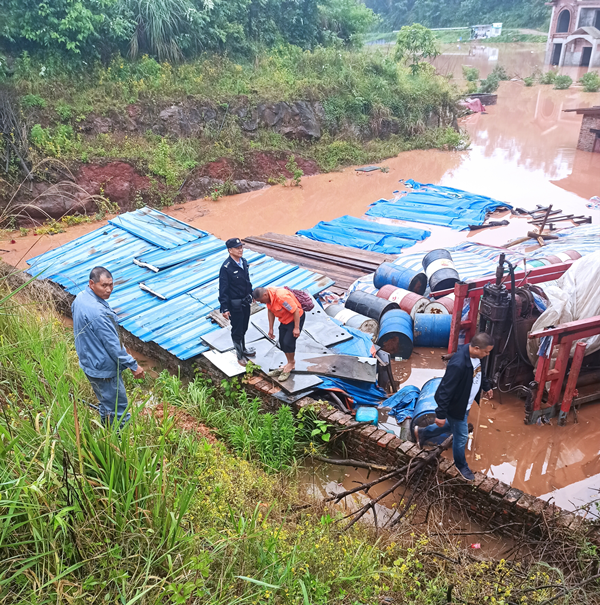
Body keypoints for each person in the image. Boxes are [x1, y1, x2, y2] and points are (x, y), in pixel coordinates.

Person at [415, 332, 494, 481]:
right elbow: (445, 389)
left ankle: (422, 433)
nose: (487, 354)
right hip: (456, 405)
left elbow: (479, 374)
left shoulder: (476, 358)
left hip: (465, 403)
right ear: (476, 348)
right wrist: (440, 414)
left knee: (453, 426)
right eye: (486, 351)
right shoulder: (458, 364)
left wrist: (487, 387)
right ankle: (461, 465)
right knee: (462, 435)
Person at [72, 267, 144, 428]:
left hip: (89, 363)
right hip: (103, 369)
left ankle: (106, 432)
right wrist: (133, 365)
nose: (109, 290)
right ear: (92, 284)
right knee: (120, 410)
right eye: (104, 285)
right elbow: (114, 346)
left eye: (111, 285)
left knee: (105, 402)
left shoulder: (80, 298)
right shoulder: (98, 313)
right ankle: (119, 445)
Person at [252, 286, 305, 381]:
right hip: (284, 320)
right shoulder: (269, 299)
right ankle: (289, 363)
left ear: (265, 295)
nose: (261, 303)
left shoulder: (281, 297)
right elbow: (270, 311)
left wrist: (296, 328)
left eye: (260, 300)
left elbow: (295, 310)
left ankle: (291, 364)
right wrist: (270, 328)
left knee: (288, 342)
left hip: (295, 319)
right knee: (282, 342)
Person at [219, 238, 256, 364]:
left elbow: (247, 281)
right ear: (230, 250)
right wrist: (224, 308)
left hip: (246, 301)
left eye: (241, 247)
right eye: (237, 248)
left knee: (244, 326)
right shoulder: (226, 268)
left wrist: (252, 294)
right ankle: (239, 355)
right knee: (237, 330)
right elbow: (223, 289)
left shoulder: (244, 262)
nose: (240, 250)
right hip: (235, 304)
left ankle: (244, 348)